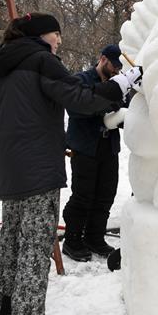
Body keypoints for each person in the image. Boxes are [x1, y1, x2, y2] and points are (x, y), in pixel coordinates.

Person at [0, 13, 139, 315]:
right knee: (36, 254)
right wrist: (122, 83)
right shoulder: (41, 62)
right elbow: (81, 99)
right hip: (39, 174)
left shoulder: (4, 71)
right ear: (41, 35)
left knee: (10, 247)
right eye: (57, 34)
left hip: (12, 172)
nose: (60, 41)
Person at [61, 44, 127, 261]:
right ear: (103, 59)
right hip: (86, 147)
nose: (117, 71)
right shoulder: (81, 81)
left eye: (120, 68)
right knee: (83, 196)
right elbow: (77, 107)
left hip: (108, 148)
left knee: (105, 195)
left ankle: (94, 237)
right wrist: (106, 108)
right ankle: (72, 240)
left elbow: (124, 105)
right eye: (115, 65)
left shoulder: (119, 83)